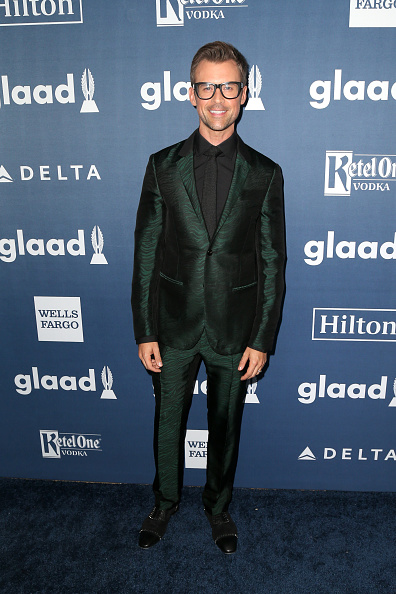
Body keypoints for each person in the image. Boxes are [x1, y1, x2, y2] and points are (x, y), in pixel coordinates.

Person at [132, 41, 285, 554]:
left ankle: (218, 508)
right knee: (167, 422)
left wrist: (262, 338)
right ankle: (164, 502)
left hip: (233, 328)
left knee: (225, 426)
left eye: (228, 87)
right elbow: (147, 253)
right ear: (190, 94)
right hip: (173, 325)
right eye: (206, 86)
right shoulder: (161, 166)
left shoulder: (265, 173)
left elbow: (271, 263)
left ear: (244, 94)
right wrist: (145, 329)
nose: (217, 97)